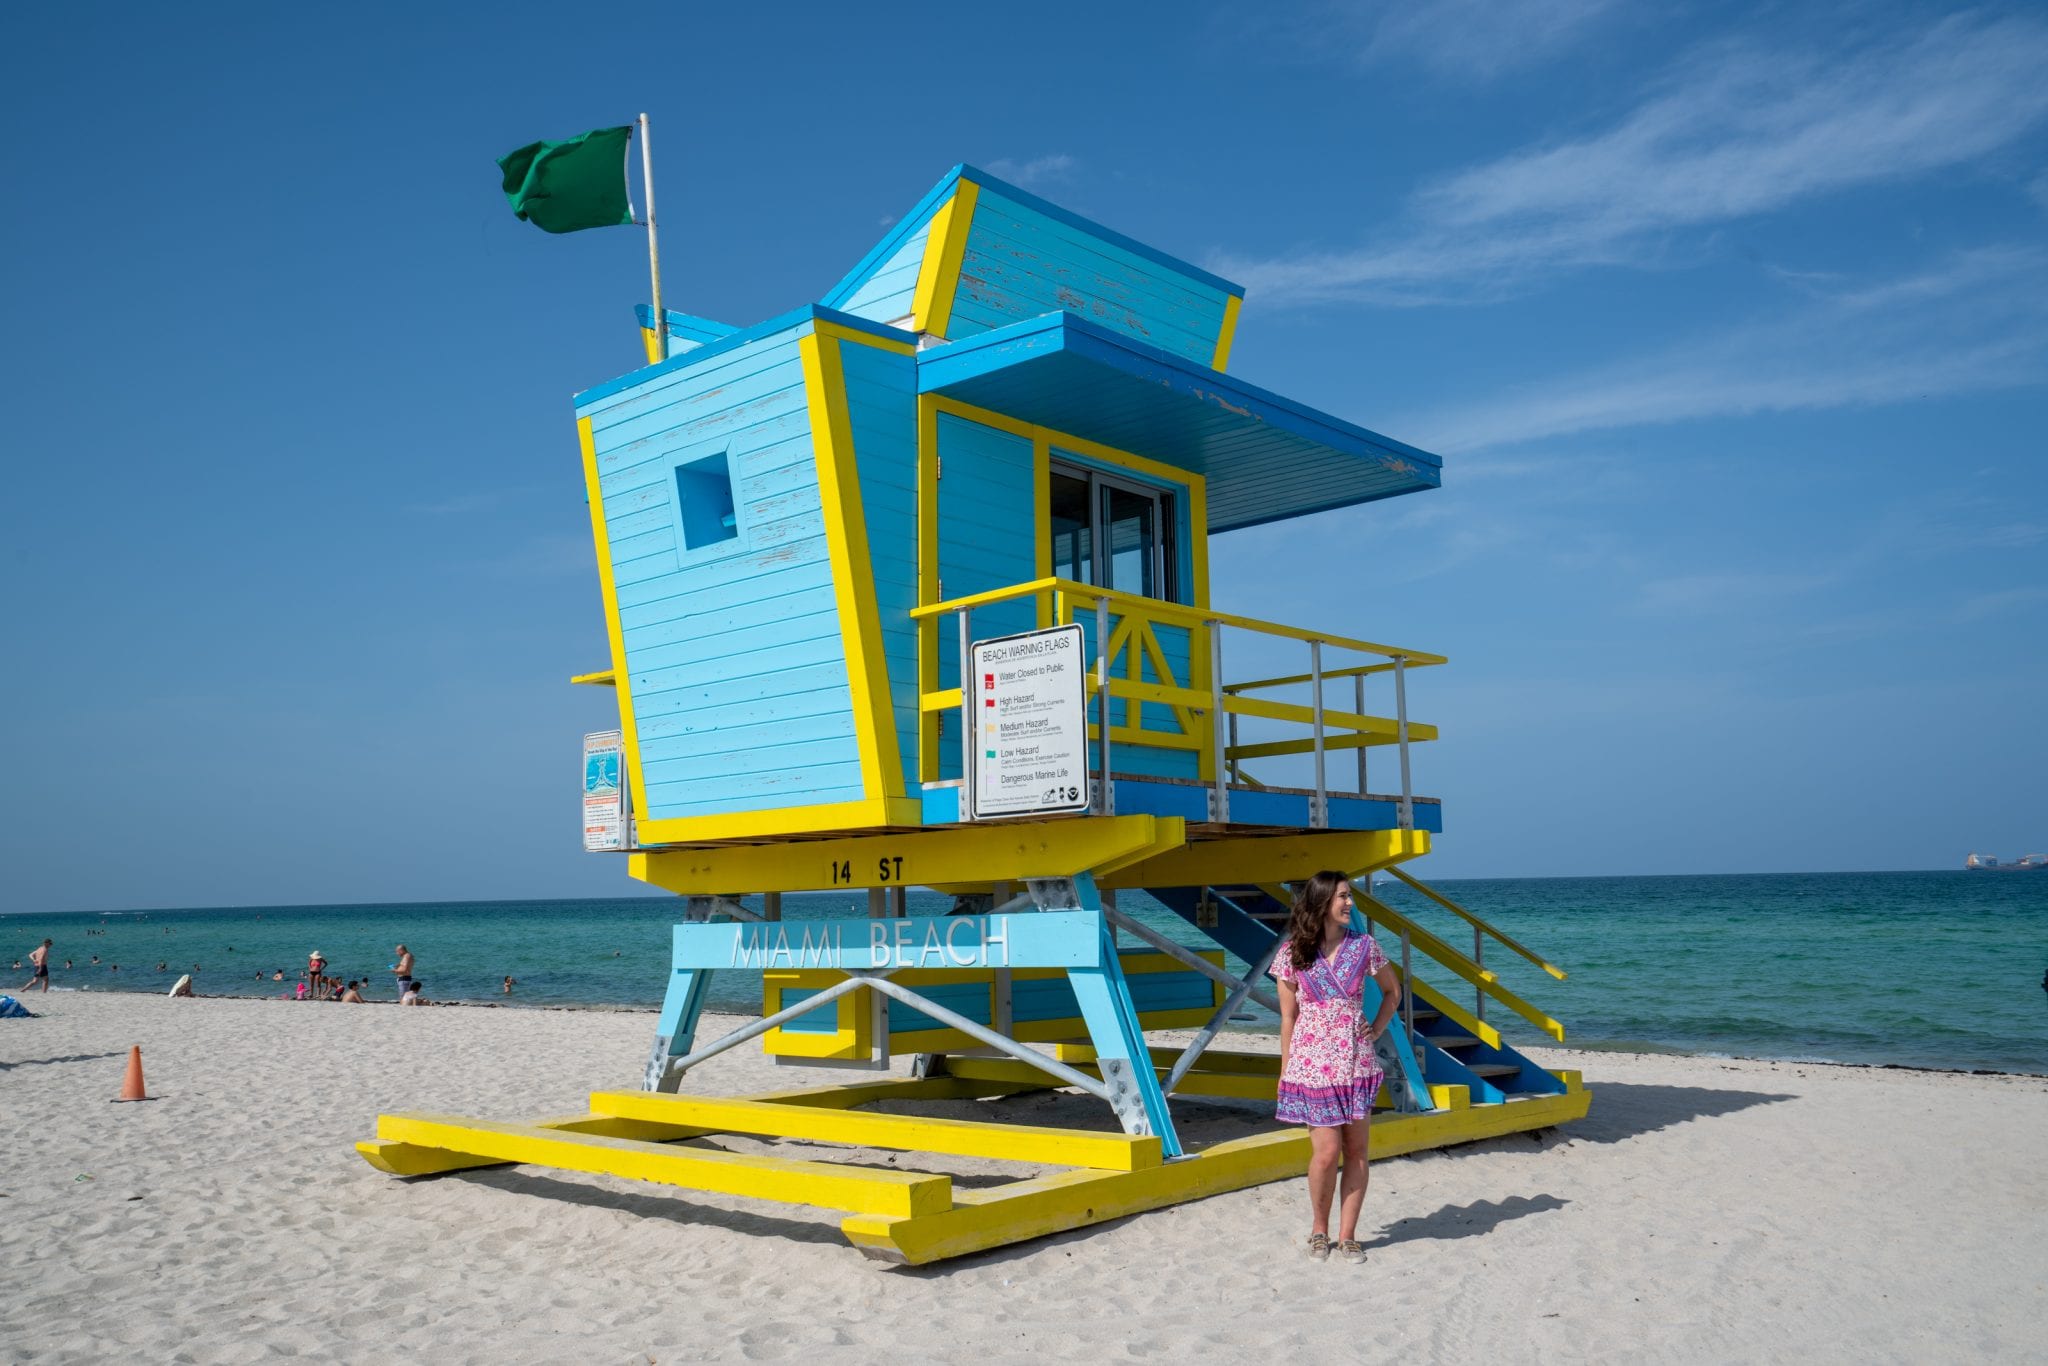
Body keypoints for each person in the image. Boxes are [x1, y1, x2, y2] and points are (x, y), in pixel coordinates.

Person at [1272, 870, 1400, 1266]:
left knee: (1357, 1151)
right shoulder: (1294, 952)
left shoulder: (1365, 947)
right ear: (1323, 901)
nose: (1350, 903)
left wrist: (1376, 1028)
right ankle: (1318, 1230)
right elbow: (1288, 1018)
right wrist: (1286, 1068)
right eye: (1343, 896)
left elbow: (1394, 991)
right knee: (1326, 1154)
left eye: (1350, 896)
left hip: (1356, 1063)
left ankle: (1347, 1237)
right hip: (1312, 1067)